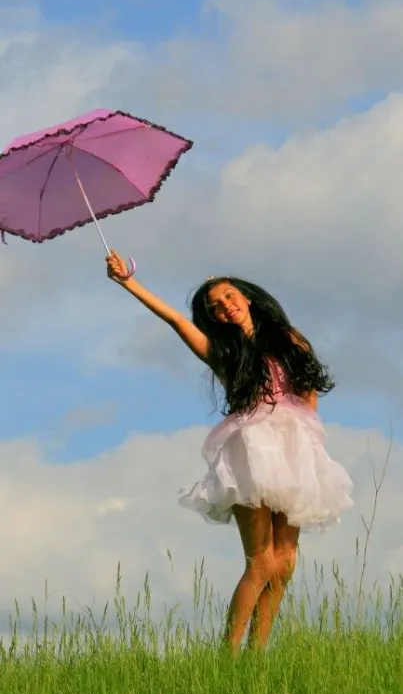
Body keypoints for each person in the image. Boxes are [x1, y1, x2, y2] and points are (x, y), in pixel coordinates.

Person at [106, 251, 353, 655]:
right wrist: (127, 282)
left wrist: (306, 443)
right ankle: (228, 654)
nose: (225, 305)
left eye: (229, 296)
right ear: (214, 318)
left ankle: (256, 656)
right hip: (251, 449)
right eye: (215, 306)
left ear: (247, 297)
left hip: (295, 450)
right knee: (261, 561)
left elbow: (308, 396)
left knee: (286, 561)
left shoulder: (290, 339)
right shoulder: (222, 352)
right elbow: (175, 320)